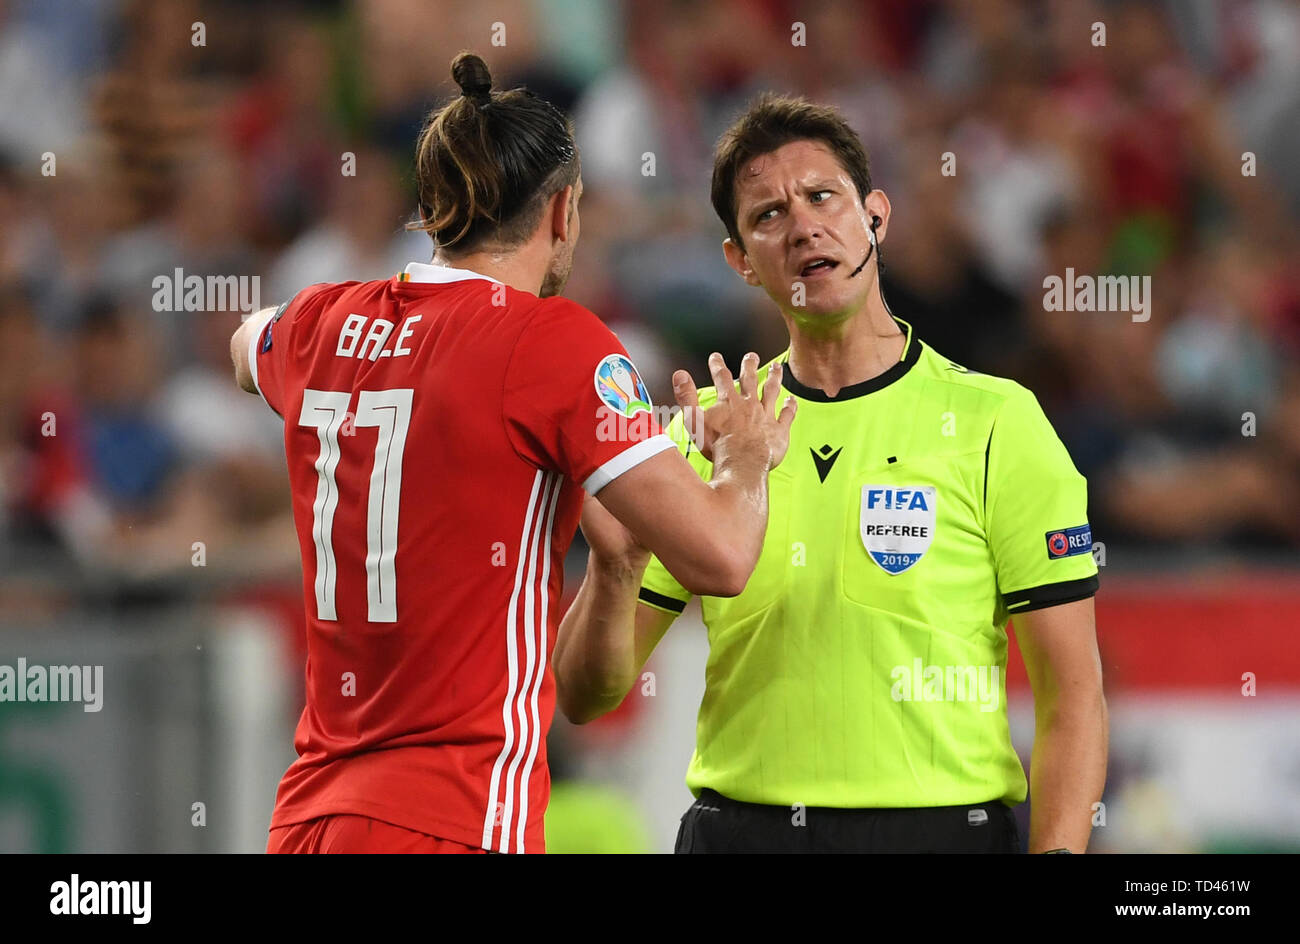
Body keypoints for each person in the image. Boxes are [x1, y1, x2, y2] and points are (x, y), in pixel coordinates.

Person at [228, 54, 794, 854]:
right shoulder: (550, 343)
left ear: (431, 210)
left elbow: (247, 342)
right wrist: (742, 455)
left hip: (310, 818)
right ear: (563, 209)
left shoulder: (321, 320)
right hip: (452, 816)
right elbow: (724, 556)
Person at [553, 94, 1107, 853]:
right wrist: (613, 570)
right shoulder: (711, 430)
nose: (805, 224)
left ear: (875, 216)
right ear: (739, 262)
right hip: (739, 834)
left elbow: (1072, 695)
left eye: (823, 196)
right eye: (768, 215)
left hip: (941, 836)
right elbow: (589, 696)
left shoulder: (997, 422)